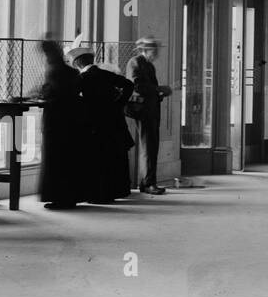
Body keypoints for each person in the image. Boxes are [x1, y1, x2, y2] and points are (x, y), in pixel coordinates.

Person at [68, 41, 136, 203]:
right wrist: (118, 104)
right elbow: (128, 84)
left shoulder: (82, 78)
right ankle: (116, 190)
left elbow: (73, 98)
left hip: (95, 124)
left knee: (98, 159)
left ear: (77, 63)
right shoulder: (105, 74)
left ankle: (99, 194)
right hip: (113, 121)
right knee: (113, 157)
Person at [36, 39, 88, 210]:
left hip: (56, 120)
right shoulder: (70, 71)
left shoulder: (53, 71)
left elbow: (50, 92)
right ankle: (70, 197)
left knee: (56, 159)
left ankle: (59, 198)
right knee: (69, 158)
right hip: (73, 120)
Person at [125, 37, 170, 194]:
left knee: (151, 147)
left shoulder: (147, 65)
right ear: (144, 50)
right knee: (148, 147)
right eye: (153, 50)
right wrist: (158, 90)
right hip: (143, 111)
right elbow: (136, 85)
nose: (156, 53)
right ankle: (148, 183)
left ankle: (148, 182)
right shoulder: (135, 62)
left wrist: (159, 93)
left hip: (150, 109)